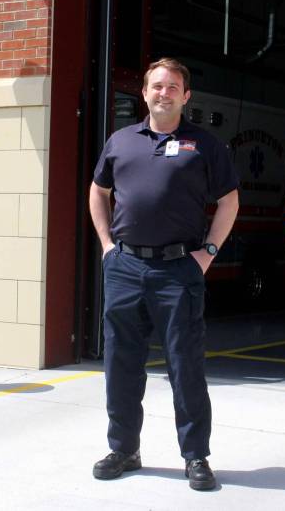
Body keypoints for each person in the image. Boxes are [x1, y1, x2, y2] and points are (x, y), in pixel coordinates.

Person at [88, 58, 240, 491]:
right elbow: (98, 191)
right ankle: (124, 449)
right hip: (125, 268)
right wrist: (107, 246)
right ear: (145, 92)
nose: (164, 92)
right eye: (157, 85)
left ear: (185, 96)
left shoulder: (205, 145)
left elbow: (229, 201)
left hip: (179, 270)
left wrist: (206, 253)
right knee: (121, 364)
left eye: (173, 86)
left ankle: (195, 456)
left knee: (185, 365)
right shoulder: (121, 141)